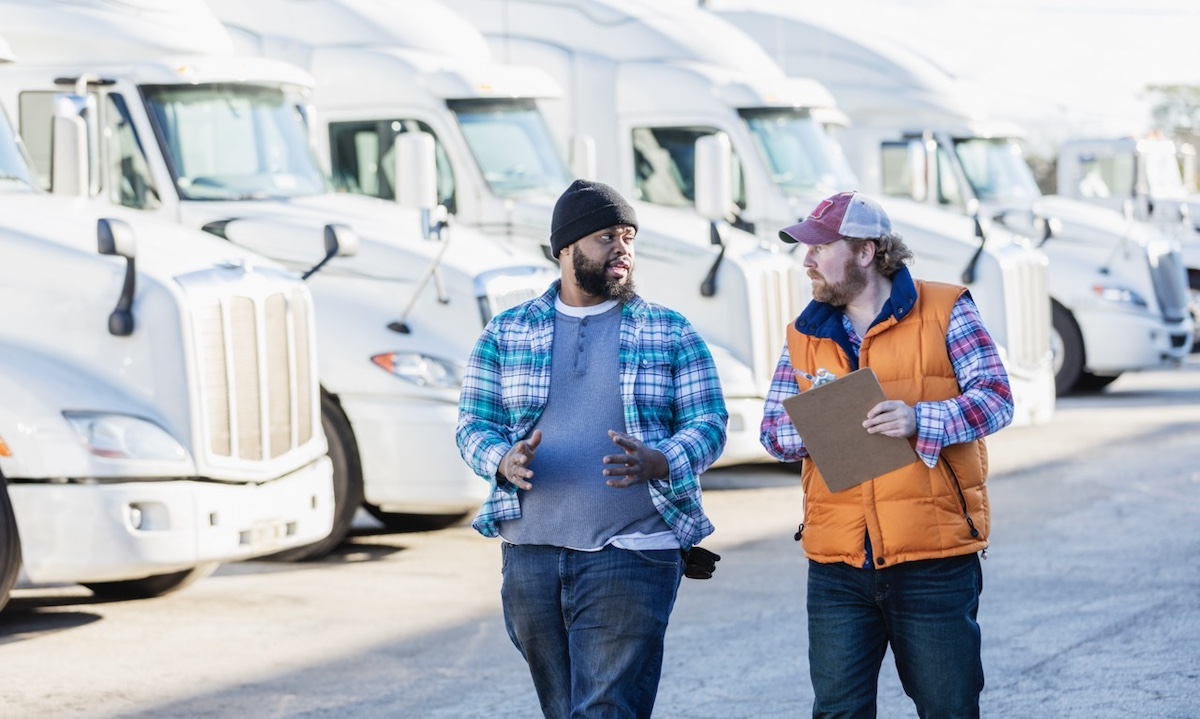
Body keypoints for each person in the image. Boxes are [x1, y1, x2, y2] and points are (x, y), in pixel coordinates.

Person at [456, 178, 728, 719]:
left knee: (604, 709)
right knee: (563, 709)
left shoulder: (668, 331)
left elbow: (709, 422)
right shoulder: (506, 332)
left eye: (628, 236)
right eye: (607, 236)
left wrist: (661, 460)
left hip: (632, 551)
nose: (622, 248)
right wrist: (501, 460)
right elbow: (472, 425)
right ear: (566, 248)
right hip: (530, 554)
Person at [759, 191, 1014, 719]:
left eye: (820, 247)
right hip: (837, 563)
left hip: (933, 559)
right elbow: (773, 434)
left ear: (866, 251)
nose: (805, 260)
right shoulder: (803, 333)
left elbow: (996, 399)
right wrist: (816, 425)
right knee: (838, 713)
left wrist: (922, 419)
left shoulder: (946, 308)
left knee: (949, 708)